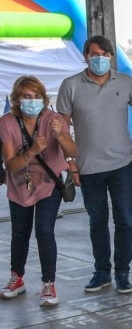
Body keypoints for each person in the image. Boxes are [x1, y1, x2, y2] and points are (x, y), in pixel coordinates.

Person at [57, 35, 132, 294]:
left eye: (105, 54)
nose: (100, 58)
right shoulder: (70, 85)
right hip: (88, 167)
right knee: (97, 222)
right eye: (94, 54)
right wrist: (71, 163)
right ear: (85, 56)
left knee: (124, 221)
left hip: (121, 165)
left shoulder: (126, 83)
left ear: (111, 57)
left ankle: (123, 273)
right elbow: (62, 129)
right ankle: (102, 272)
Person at [0, 76, 77, 306]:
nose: (32, 101)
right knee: (20, 232)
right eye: (26, 96)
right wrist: (32, 151)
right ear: (16, 99)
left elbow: (74, 151)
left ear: (43, 99)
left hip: (49, 183)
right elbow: (11, 165)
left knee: (44, 230)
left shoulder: (53, 119)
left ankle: (48, 283)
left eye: (36, 96)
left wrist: (60, 136)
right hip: (19, 185)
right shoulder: (6, 123)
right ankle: (17, 277)